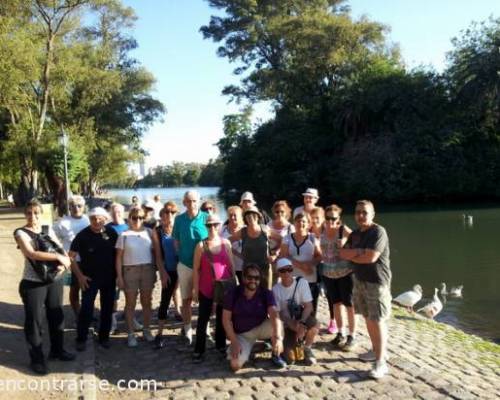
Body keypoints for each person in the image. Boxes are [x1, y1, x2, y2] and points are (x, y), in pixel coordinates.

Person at [14, 199, 75, 375]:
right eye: (29, 213)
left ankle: (57, 350)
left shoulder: (47, 228)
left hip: (54, 279)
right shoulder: (21, 232)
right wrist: (58, 258)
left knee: (56, 315)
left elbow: (60, 248)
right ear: (25, 214)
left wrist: (63, 264)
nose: (32, 216)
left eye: (36, 213)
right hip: (33, 283)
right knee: (34, 321)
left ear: (41, 214)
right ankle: (37, 359)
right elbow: (31, 253)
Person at [339, 200, 391, 379]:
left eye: (364, 212)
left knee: (378, 320)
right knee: (369, 318)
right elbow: (342, 253)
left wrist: (356, 254)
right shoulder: (354, 234)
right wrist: (359, 253)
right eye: (358, 212)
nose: (360, 215)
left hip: (376, 282)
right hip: (360, 281)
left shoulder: (378, 232)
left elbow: (371, 258)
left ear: (372, 214)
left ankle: (381, 362)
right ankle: (376, 350)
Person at [116, 206, 165, 347]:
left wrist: (161, 271)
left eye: (141, 218)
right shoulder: (123, 235)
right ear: (129, 218)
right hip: (130, 270)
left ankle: (147, 329)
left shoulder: (150, 232)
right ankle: (131, 333)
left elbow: (157, 254)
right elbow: (118, 258)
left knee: (147, 302)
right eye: (134, 217)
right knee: (130, 303)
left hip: (147, 269)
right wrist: (119, 276)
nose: (137, 220)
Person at [70, 207, 118, 351]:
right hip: (89, 279)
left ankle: (104, 337)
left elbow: (118, 254)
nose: (97, 221)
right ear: (89, 219)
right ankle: (81, 338)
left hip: (109, 277)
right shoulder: (82, 235)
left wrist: (119, 275)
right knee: (86, 309)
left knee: (107, 308)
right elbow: (71, 256)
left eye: (100, 219)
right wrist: (79, 276)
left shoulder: (111, 232)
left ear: (105, 219)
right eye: (93, 219)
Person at [223, 264, 286, 371]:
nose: (253, 280)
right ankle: (250, 347)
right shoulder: (233, 293)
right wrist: (234, 342)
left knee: (278, 324)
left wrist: (278, 337)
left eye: (256, 278)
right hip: (242, 334)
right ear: (243, 278)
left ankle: (276, 353)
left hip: (260, 326)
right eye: (250, 277)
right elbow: (226, 320)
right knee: (235, 365)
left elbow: (274, 314)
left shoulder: (266, 293)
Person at [192, 214, 234, 362]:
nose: (212, 228)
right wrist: (195, 290)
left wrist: (234, 282)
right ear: (206, 226)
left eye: (215, 225)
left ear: (220, 225)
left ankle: (221, 345)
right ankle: (199, 349)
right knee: (203, 320)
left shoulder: (226, 243)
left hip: (223, 287)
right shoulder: (200, 246)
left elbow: (231, 265)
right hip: (206, 288)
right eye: (209, 225)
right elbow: (196, 269)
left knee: (223, 318)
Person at [172, 190, 209, 344]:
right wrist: (182, 254)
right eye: (188, 201)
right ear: (184, 202)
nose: (191, 204)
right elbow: (176, 240)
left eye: (194, 201)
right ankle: (187, 328)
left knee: (205, 299)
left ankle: (204, 328)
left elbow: (213, 240)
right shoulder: (179, 219)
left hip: (204, 266)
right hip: (186, 265)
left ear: (198, 201)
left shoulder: (207, 218)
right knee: (186, 299)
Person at [320, 205, 356, 349]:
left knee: (349, 306)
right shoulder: (323, 229)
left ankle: (352, 336)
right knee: (335, 304)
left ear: (338, 219)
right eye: (327, 218)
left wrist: (346, 241)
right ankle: (340, 333)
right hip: (328, 274)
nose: (330, 221)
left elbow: (357, 241)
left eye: (333, 218)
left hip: (345, 274)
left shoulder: (343, 230)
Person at [272, 258, 319, 365]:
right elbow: (277, 314)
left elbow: (308, 306)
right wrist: (291, 324)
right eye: (282, 270)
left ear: (292, 270)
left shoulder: (301, 282)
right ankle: (294, 345)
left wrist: (302, 322)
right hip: (287, 325)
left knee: (315, 324)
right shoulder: (275, 289)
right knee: (290, 359)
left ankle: (307, 348)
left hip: (300, 318)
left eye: (289, 269)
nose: (286, 273)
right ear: (278, 273)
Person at [53, 195, 90, 319]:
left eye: (79, 205)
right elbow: (51, 238)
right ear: (69, 207)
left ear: (84, 207)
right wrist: (60, 253)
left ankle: (86, 313)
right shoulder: (62, 222)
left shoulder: (89, 220)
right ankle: (78, 314)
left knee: (88, 289)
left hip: (88, 260)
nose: (76, 208)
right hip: (71, 261)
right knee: (74, 289)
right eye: (73, 206)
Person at [280, 212, 322, 316]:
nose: (300, 223)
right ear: (294, 223)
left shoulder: (313, 238)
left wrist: (310, 264)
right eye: (298, 221)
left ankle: (310, 329)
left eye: (303, 221)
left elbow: (319, 256)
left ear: (308, 224)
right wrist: (302, 266)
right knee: (293, 307)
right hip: (292, 278)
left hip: (310, 278)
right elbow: (284, 256)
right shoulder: (287, 238)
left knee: (310, 308)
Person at [155, 202, 180, 348]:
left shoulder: (179, 228)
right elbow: (158, 256)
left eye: (172, 212)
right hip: (168, 270)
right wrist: (163, 273)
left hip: (182, 267)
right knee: (164, 300)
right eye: (166, 212)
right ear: (162, 215)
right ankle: (159, 333)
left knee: (187, 298)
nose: (169, 215)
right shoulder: (157, 231)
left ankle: (186, 327)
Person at [230, 206, 274, 290]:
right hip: (248, 270)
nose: (250, 217)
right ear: (245, 218)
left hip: (264, 270)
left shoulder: (265, 229)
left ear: (258, 216)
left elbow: (281, 240)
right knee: (249, 295)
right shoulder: (243, 231)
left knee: (265, 295)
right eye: (248, 215)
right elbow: (227, 242)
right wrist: (238, 255)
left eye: (253, 215)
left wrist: (274, 254)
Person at [221, 206, 245, 283]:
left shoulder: (245, 229)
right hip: (227, 266)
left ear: (241, 217)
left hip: (243, 266)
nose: (232, 217)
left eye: (235, 215)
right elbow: (220, 245)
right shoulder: (222, 230)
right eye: (230, 215)